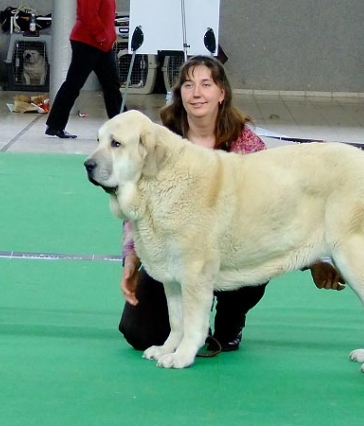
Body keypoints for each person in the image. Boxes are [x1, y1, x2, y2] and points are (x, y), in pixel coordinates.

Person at [118, 55, 344, 354]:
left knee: (249, 254)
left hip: (234, 251)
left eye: (206, 84)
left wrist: (312, 260)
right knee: (139, 333)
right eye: (188, 84)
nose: (196, 93)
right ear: (179, 94)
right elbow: (138, 203)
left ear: (221, 93)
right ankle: (193, 325)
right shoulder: (159, 142)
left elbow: (278, 209)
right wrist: (132, 256)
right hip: (172, 254)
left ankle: (231, 318)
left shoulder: (247, 145)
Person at [45, 0, 122, 139]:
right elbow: (88, 14)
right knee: (74, 84)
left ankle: (121, 125)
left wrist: (107, 37)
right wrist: (102, 36)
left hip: (99, 43)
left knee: (111, 85)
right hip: (89, 42)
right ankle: (55, 125)